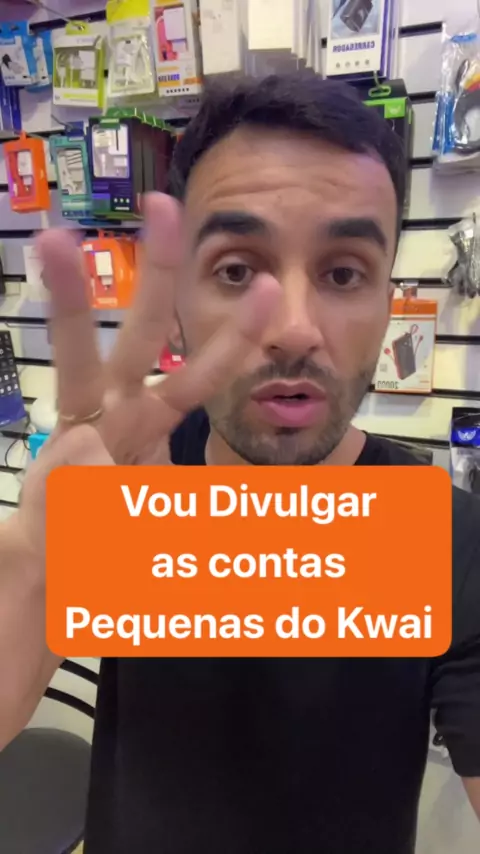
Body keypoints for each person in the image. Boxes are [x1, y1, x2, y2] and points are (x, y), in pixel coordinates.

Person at [0, 73, 479, 854]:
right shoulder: (123, 485)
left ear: (389, 303)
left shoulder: (450, 541)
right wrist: (35, 562)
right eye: (236, 270)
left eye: (343, 272)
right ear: (176, 306)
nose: (292, 327)